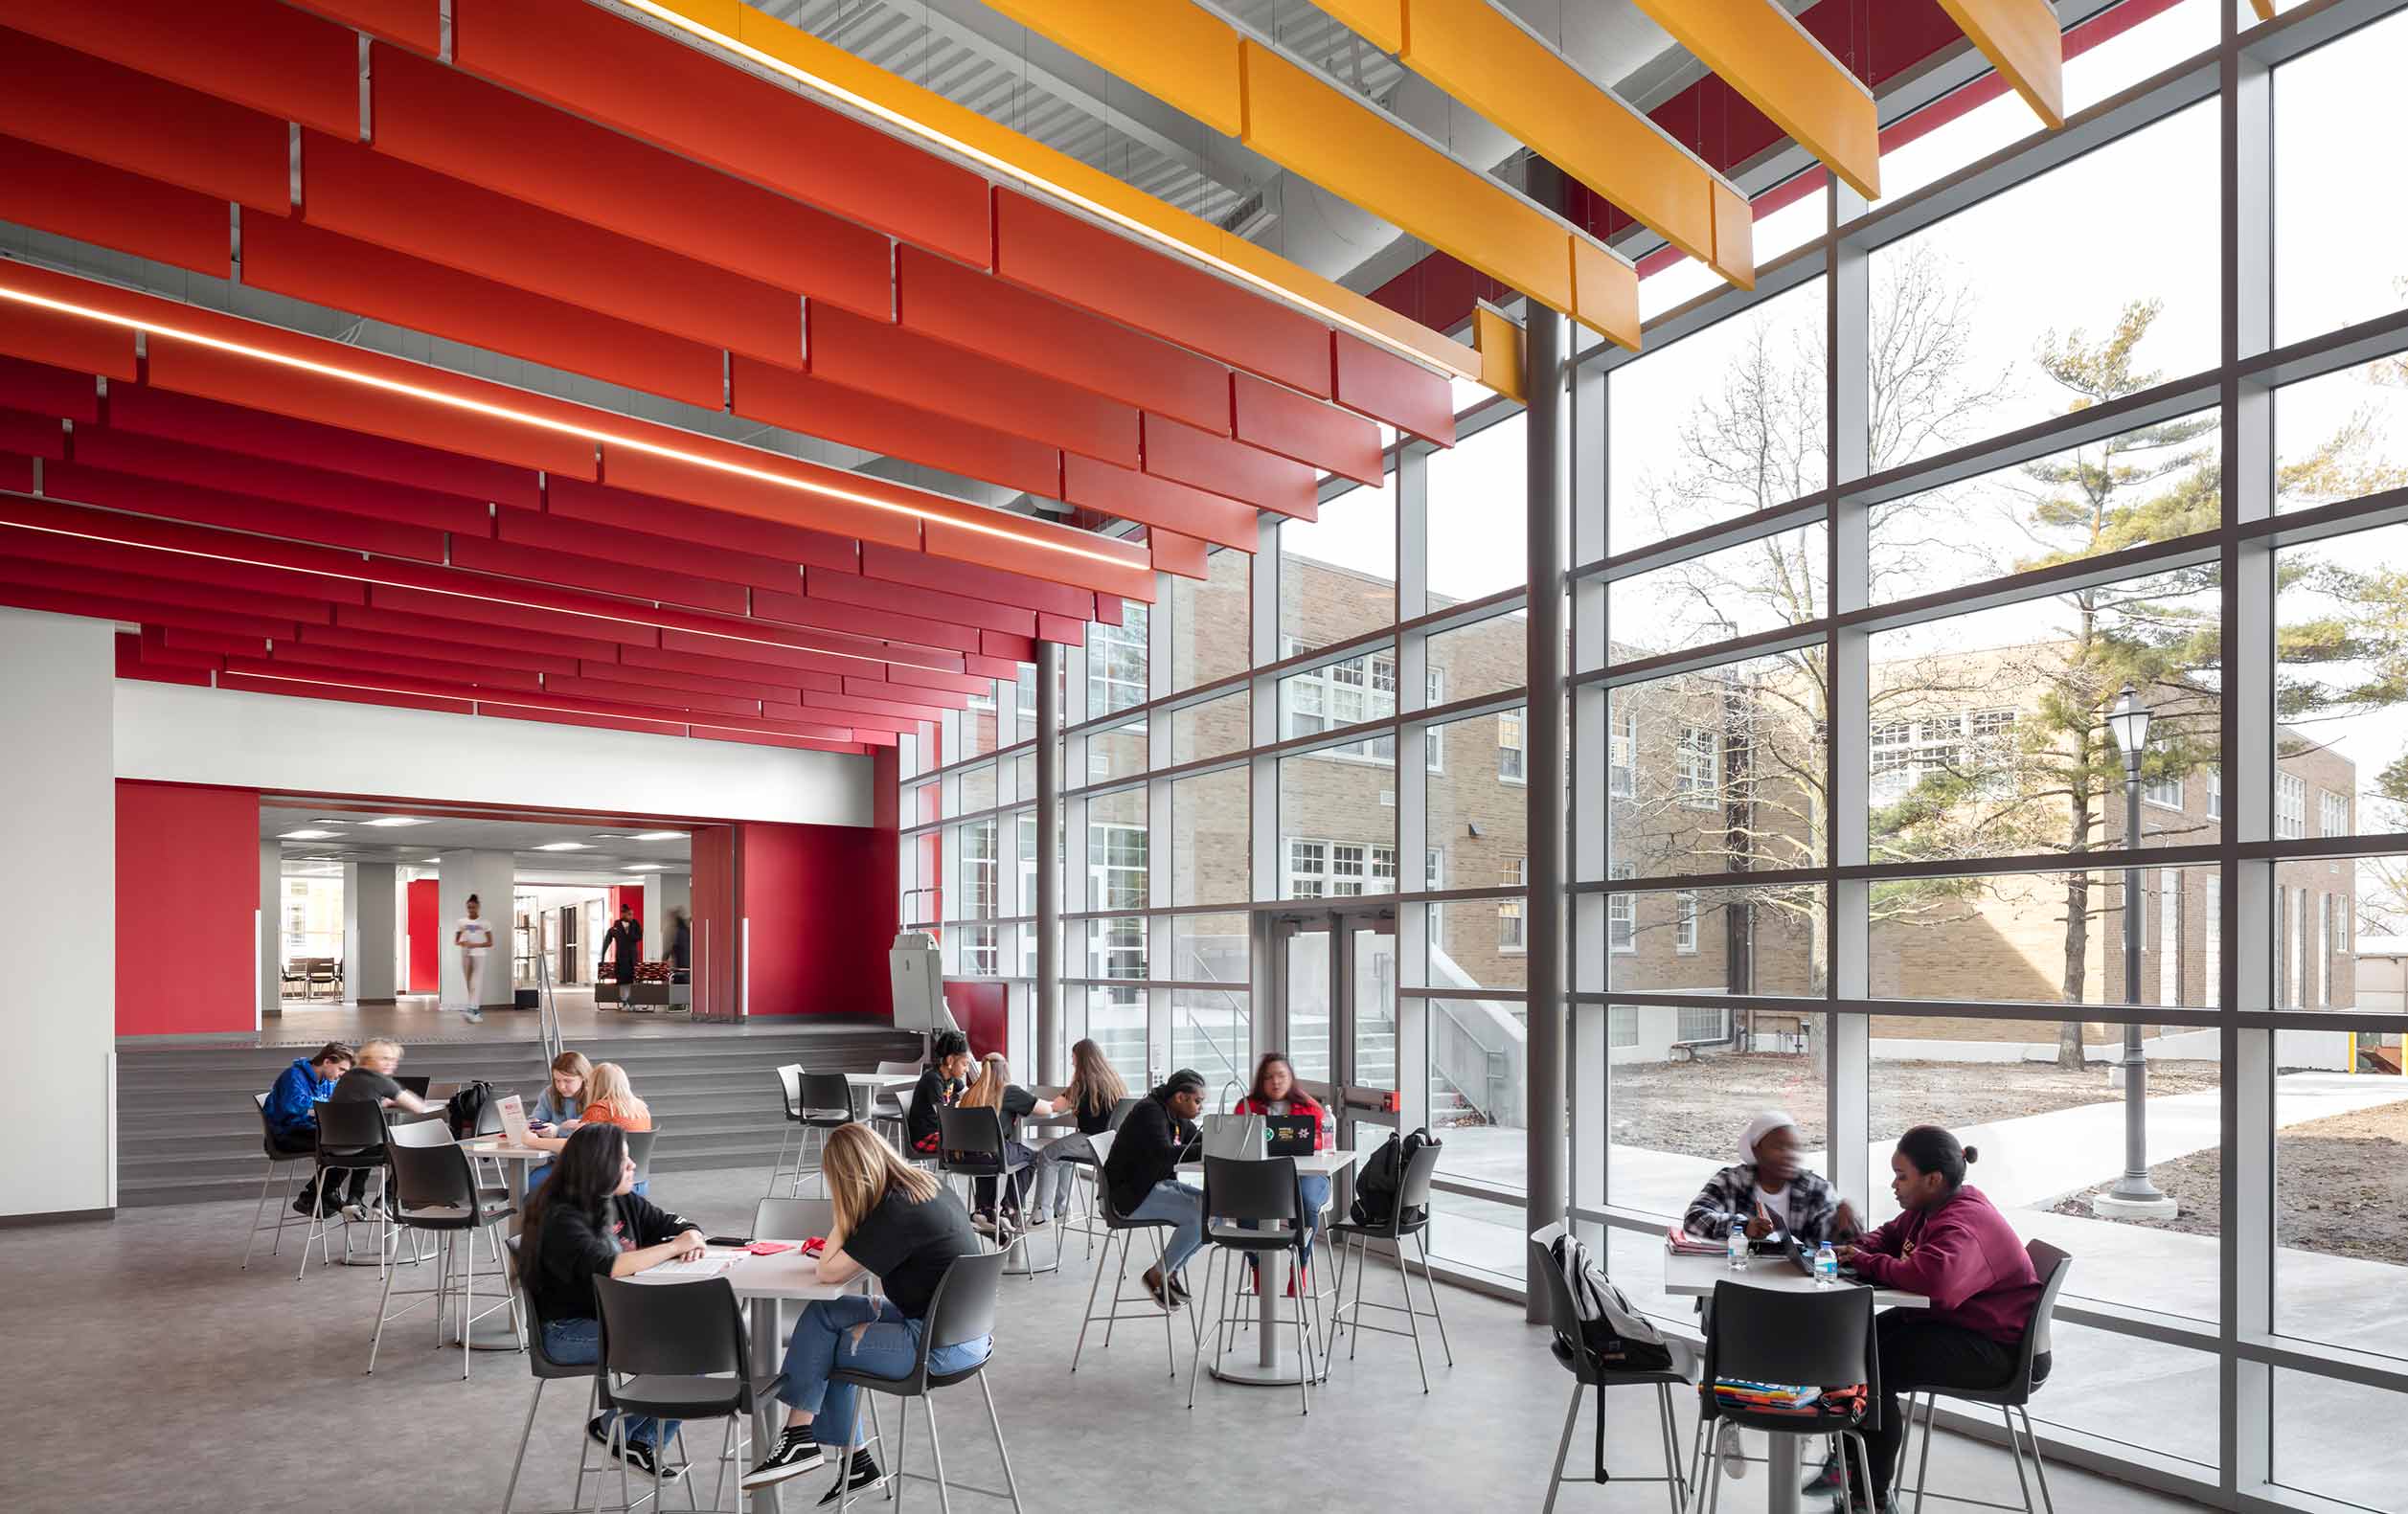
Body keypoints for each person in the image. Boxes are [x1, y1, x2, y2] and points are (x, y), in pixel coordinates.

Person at [741, 1123, 989, 1502]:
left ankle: (798, 1438)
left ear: (846, 1178)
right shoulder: (925, 1186)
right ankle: (850, 1460)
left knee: (823, 1347)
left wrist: (843, 1214)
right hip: (964, 1333)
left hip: (934, 1346)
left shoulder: (896, 1211)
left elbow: (828, 1271)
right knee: (829, 1315)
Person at [1834, 1127, 2044, 1513]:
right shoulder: (1926, 1209)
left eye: (1901, 1176)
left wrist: (1864, 1261)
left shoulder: (1964, 1221)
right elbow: (1887, 1238)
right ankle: (1847, 1468)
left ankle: (1870, 1496)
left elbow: (1934, 1282)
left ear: (1933, 1179)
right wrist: (1855, 1250)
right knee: (1856, 1344)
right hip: (1962, 1326)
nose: (1893, 1185)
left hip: (1998, 1351)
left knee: (1876, 1368)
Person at [524, 1123, 707, 1483]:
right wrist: (673, 1247)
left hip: (616, 1317)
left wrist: (692, 1235)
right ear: (598, 1165)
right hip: (568, 1330)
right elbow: (610, 1267)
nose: (633, 1165)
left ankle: (631, 1437)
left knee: (702, 1341)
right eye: (623, 1160)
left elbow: (673, 1222)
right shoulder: (561, 1216)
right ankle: (621, 1430)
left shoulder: (619, 1198)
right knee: (691, 1349)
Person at [1687, 1111, 1859, 1484]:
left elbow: (1836, 1241)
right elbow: (1694, 1219)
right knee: (1729, 1322)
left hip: (1795, 1303)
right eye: (1779, 1146)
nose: (1789, 1154)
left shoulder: (1813, 1187)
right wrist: (1741, 1226)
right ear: (1757, 1148)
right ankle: (1731, 1414)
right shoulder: (1731, 1180)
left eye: (1794, 1148)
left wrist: (1845, 1224)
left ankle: (1800, 1422)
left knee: (1815, 1332)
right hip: (1742, 1298)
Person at [1101, 1068, 1206, 1312]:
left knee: (1216, 1210)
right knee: (1202, 1214)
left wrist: (1217, 1138)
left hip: (1151, 1186)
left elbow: (1193, 1140)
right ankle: (1157, 1275)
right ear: (1181, 1097)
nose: (1200, 1107)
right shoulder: (1151, 1112)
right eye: (1198, 1101)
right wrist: (1208, 1146)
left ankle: (1169, 1272)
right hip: (1130, 1197)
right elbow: (1164, 1155)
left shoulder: (1172, 1111)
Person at [1230, 1051, 1332, 1290]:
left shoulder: (1309, 1107)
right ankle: (1257, 1264)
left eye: (1281, 1076)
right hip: (1262, 1179)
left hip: (1307, 1176)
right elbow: (1235, 1140)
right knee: (1242, 1201)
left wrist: (1300, 1142)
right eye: (1268, 1077)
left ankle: (1300, 1263)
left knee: (1305, 1201)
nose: (1275, 1082)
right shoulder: (1247, 1107)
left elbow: (1326, 1141)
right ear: (1260, 1081)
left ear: (1291, 1078)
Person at [325, 1038, 436, 1221]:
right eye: (384, 1058)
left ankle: (354, 1199)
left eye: (393, 1060)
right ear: (368, 1059)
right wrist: (392, 1098)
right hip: (364, 1147)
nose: (391, 1064)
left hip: (333, 1148)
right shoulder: (382, 1081)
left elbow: (362, 1104)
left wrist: (383, 1102)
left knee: (371, 1139)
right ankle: (386, 1199)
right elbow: (419, 1108)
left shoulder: (347, 1077)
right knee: (414, 1149)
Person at [952, 1052, 1064, 1230]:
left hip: (962, 1158)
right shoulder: (1009, 1091)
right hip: (992, 1157)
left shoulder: (971, 1093)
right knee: (1030, 1156)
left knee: (985, 1149)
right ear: (1005, 1069)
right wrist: (1062, 1102)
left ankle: (984, 1209)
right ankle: (1009, 1209)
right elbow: (1046, 1109)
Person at [1020, 1038, 1125, 1227]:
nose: (1071, 1062)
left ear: (1082, 1059)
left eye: (1073, 1057)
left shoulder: (1082, 1083)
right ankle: (1062, 1210)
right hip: (1111, 1144)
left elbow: (1057, 1107)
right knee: (1064, 1155)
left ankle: (1042, 1214)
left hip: (1091, 1141)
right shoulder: (1114, 1081)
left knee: (1048, 1153)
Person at [525, 1061, 652, 1197]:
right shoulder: (641, 1108)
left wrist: (532, 1141)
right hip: (636, 1181)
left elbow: (572, 1146)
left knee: (533, 1183)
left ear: (594, 1084)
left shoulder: (600, 1109)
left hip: (604, 1183)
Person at [263, 1042, 353, 1216]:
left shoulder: (327, 1081)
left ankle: (318, 1195)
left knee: (352, 1145)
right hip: (286, 1135)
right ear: (327, 1062)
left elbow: (333, 1103)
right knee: (343, 1147)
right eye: (341, 1069)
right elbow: (295, 1106)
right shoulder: (293, 1075)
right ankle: (315, 1197)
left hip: (310, 1129)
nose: (342, 1075)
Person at [904, 1030, 971, 1158]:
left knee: (976, 1140)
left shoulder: (951, 1079)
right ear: (950, 1060)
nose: (967, 1069)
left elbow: (969, 1095)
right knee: (971, 1144)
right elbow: (943, 1116)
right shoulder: (933, 1080)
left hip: (940, 1133)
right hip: (925, 1137)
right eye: (964, 1064)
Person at [452, 893, 496, 1025]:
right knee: (469, 983)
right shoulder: (461, 922)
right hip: (465, 953)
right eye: (469, 907)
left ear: (478, 907)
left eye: (473, 907)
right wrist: (463, 943)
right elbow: (456, 941)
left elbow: (490, 943)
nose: (471, 910)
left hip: (479, 954)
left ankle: (472, 1009)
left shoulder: (485, 923)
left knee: (475, 982)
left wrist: (475, 945)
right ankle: (474, 1011)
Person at [531, 1051, 592, 1131]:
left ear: (583, 1077)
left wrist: (557, 1131)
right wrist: (536, 1126)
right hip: (550, 1143)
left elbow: (586, 1132)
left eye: (568, 1081)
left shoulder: (595, 1095)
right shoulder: (549, 1093)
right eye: (557, 1080)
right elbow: (534, 1121)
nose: (561, 1087)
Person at [599, 903, 642, 985]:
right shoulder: (615, 928)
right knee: (622, 980)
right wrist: (602, 958)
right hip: (621, 958)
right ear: (623, 914)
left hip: (632, 958)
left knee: (633, 980)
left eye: (632, 914)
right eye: (629, 914)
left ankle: (630, 997)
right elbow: (606, 943)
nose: (632, 916)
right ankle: (622, 997)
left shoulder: (635, 924)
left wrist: (631, 931)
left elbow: (639, 937)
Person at [668, 906, 692, 983]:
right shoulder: (685, 930)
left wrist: (666, 956)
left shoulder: (679, 931)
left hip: (682, 963)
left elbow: (675, 946)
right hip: (685, 963)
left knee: (681, 982)